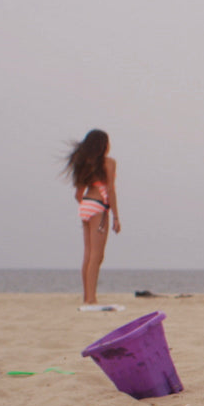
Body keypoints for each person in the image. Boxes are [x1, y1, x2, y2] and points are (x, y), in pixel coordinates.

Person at [65, 129, 119, 305]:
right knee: (97, 255)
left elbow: (78, 194)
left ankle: (86, 295)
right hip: (99, 206)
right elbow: (110, 190)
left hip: (86, 204)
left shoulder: (85, 164)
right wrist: (115, 216)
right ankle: (91, 298)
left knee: (88, 254)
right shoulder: (109, 163)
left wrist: (86, 206)